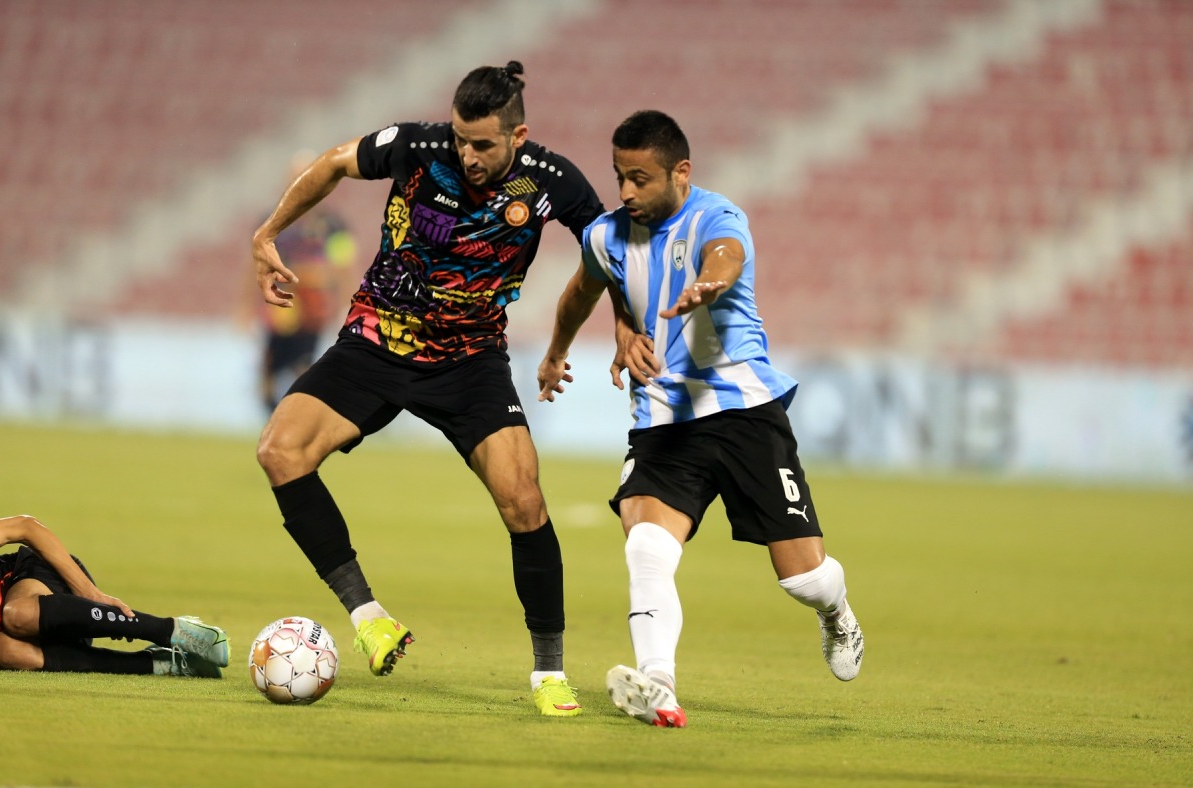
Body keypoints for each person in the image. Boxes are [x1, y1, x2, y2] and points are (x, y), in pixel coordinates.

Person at [250, 61, 604, 717]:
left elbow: (609, 253)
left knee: (524, 501)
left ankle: (550, 674)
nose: (468, 155)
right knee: (280, 450)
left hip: (470, 360)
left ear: (518, 135)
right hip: (378, 338)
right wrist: (268, 232)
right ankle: (369, 617)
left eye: (483, 145)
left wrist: (604, 335)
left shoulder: (553, 181)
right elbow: (333, 162)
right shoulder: (416, 145)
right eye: (461, 140)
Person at [536, 110, 864, 728]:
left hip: (743, 413)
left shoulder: (717, 216)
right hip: (662, 419)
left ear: (680, 172)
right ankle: (658, 685)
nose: (625, 191)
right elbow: (580, 291)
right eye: (619, 176)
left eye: (640, 178)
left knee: (805, 580)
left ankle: (836, 613)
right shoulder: (606, 236)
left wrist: (707, 287)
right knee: (646, 546)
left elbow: (726, 256)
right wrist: (558, 352)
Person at [0, 515, 230, 677]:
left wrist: (88, 592)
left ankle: (173, 631)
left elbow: (26, 527)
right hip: (49, 643)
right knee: (5, 652)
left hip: (48, 584)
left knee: (18, 614)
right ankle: (159, 663)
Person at [238, 150, 359, 412]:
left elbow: (344, 268)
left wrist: (347, 308)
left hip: (312, 310)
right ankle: (273, 416)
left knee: (303, 369)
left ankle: (294, 418)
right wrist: (245, 307)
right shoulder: (270, 220)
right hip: (278, 308)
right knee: (269, 371)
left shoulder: (334, 226)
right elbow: (253, 265)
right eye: (294, 177)